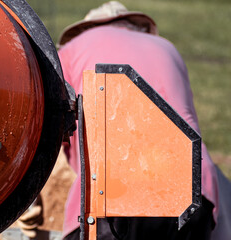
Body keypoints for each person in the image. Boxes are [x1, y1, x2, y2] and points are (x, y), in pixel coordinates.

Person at [57, 1, 230, 240]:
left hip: (108, 199)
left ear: (87, 28)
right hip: (193, 193)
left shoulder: (70, 51)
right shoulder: (167, 47)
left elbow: (49, 135)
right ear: (134, 26)